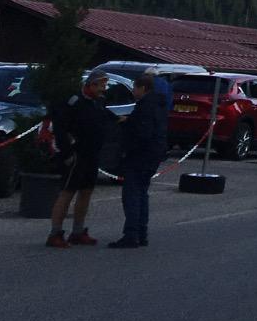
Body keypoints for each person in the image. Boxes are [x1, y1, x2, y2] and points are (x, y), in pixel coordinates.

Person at [46, 71, 113, 248]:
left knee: (86, 191)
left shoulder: (99, 102)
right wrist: (67, 154)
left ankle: (77, 231)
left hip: (92, 154)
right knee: (67, 192)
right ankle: (55, 233)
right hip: (77, 155)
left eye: (104, 85)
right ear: (91, 85)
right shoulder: (74, 102)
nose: (103, 89)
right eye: (101, 85)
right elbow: (60, 129)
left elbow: (106, 117)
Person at [110, 74, 168, 248]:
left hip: (141, 155)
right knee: (142, 192)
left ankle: (131, 234)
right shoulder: (157, 104)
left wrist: (128, 140)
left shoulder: (145, 107)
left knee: (132, 194)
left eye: (135, 87)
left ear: (143, 88)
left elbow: (143, 133)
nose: (133, 91)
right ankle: (141, 233)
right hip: (154, 153)